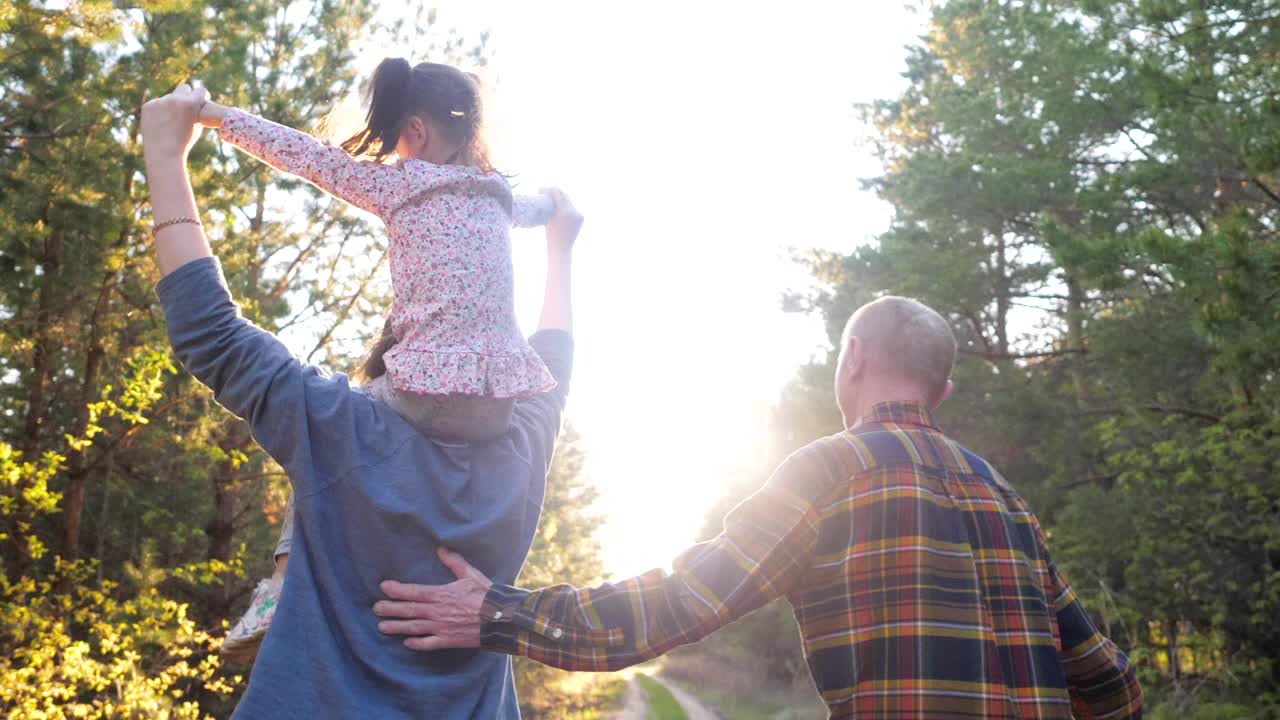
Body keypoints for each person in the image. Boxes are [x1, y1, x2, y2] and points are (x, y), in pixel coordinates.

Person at [374, 297, 1145, 719]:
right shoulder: (1005, 499)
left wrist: (497, 613)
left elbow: (679, 602)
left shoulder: (832, 469)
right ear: (942, 392)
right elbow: (1111, 685)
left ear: (852, 364)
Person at [141, 83, 582, 718]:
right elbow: (554, 362)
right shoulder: (522, 450)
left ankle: (281, 577)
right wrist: (560, 250)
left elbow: (211, 334)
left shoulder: (341, 431)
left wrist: (166, 153)